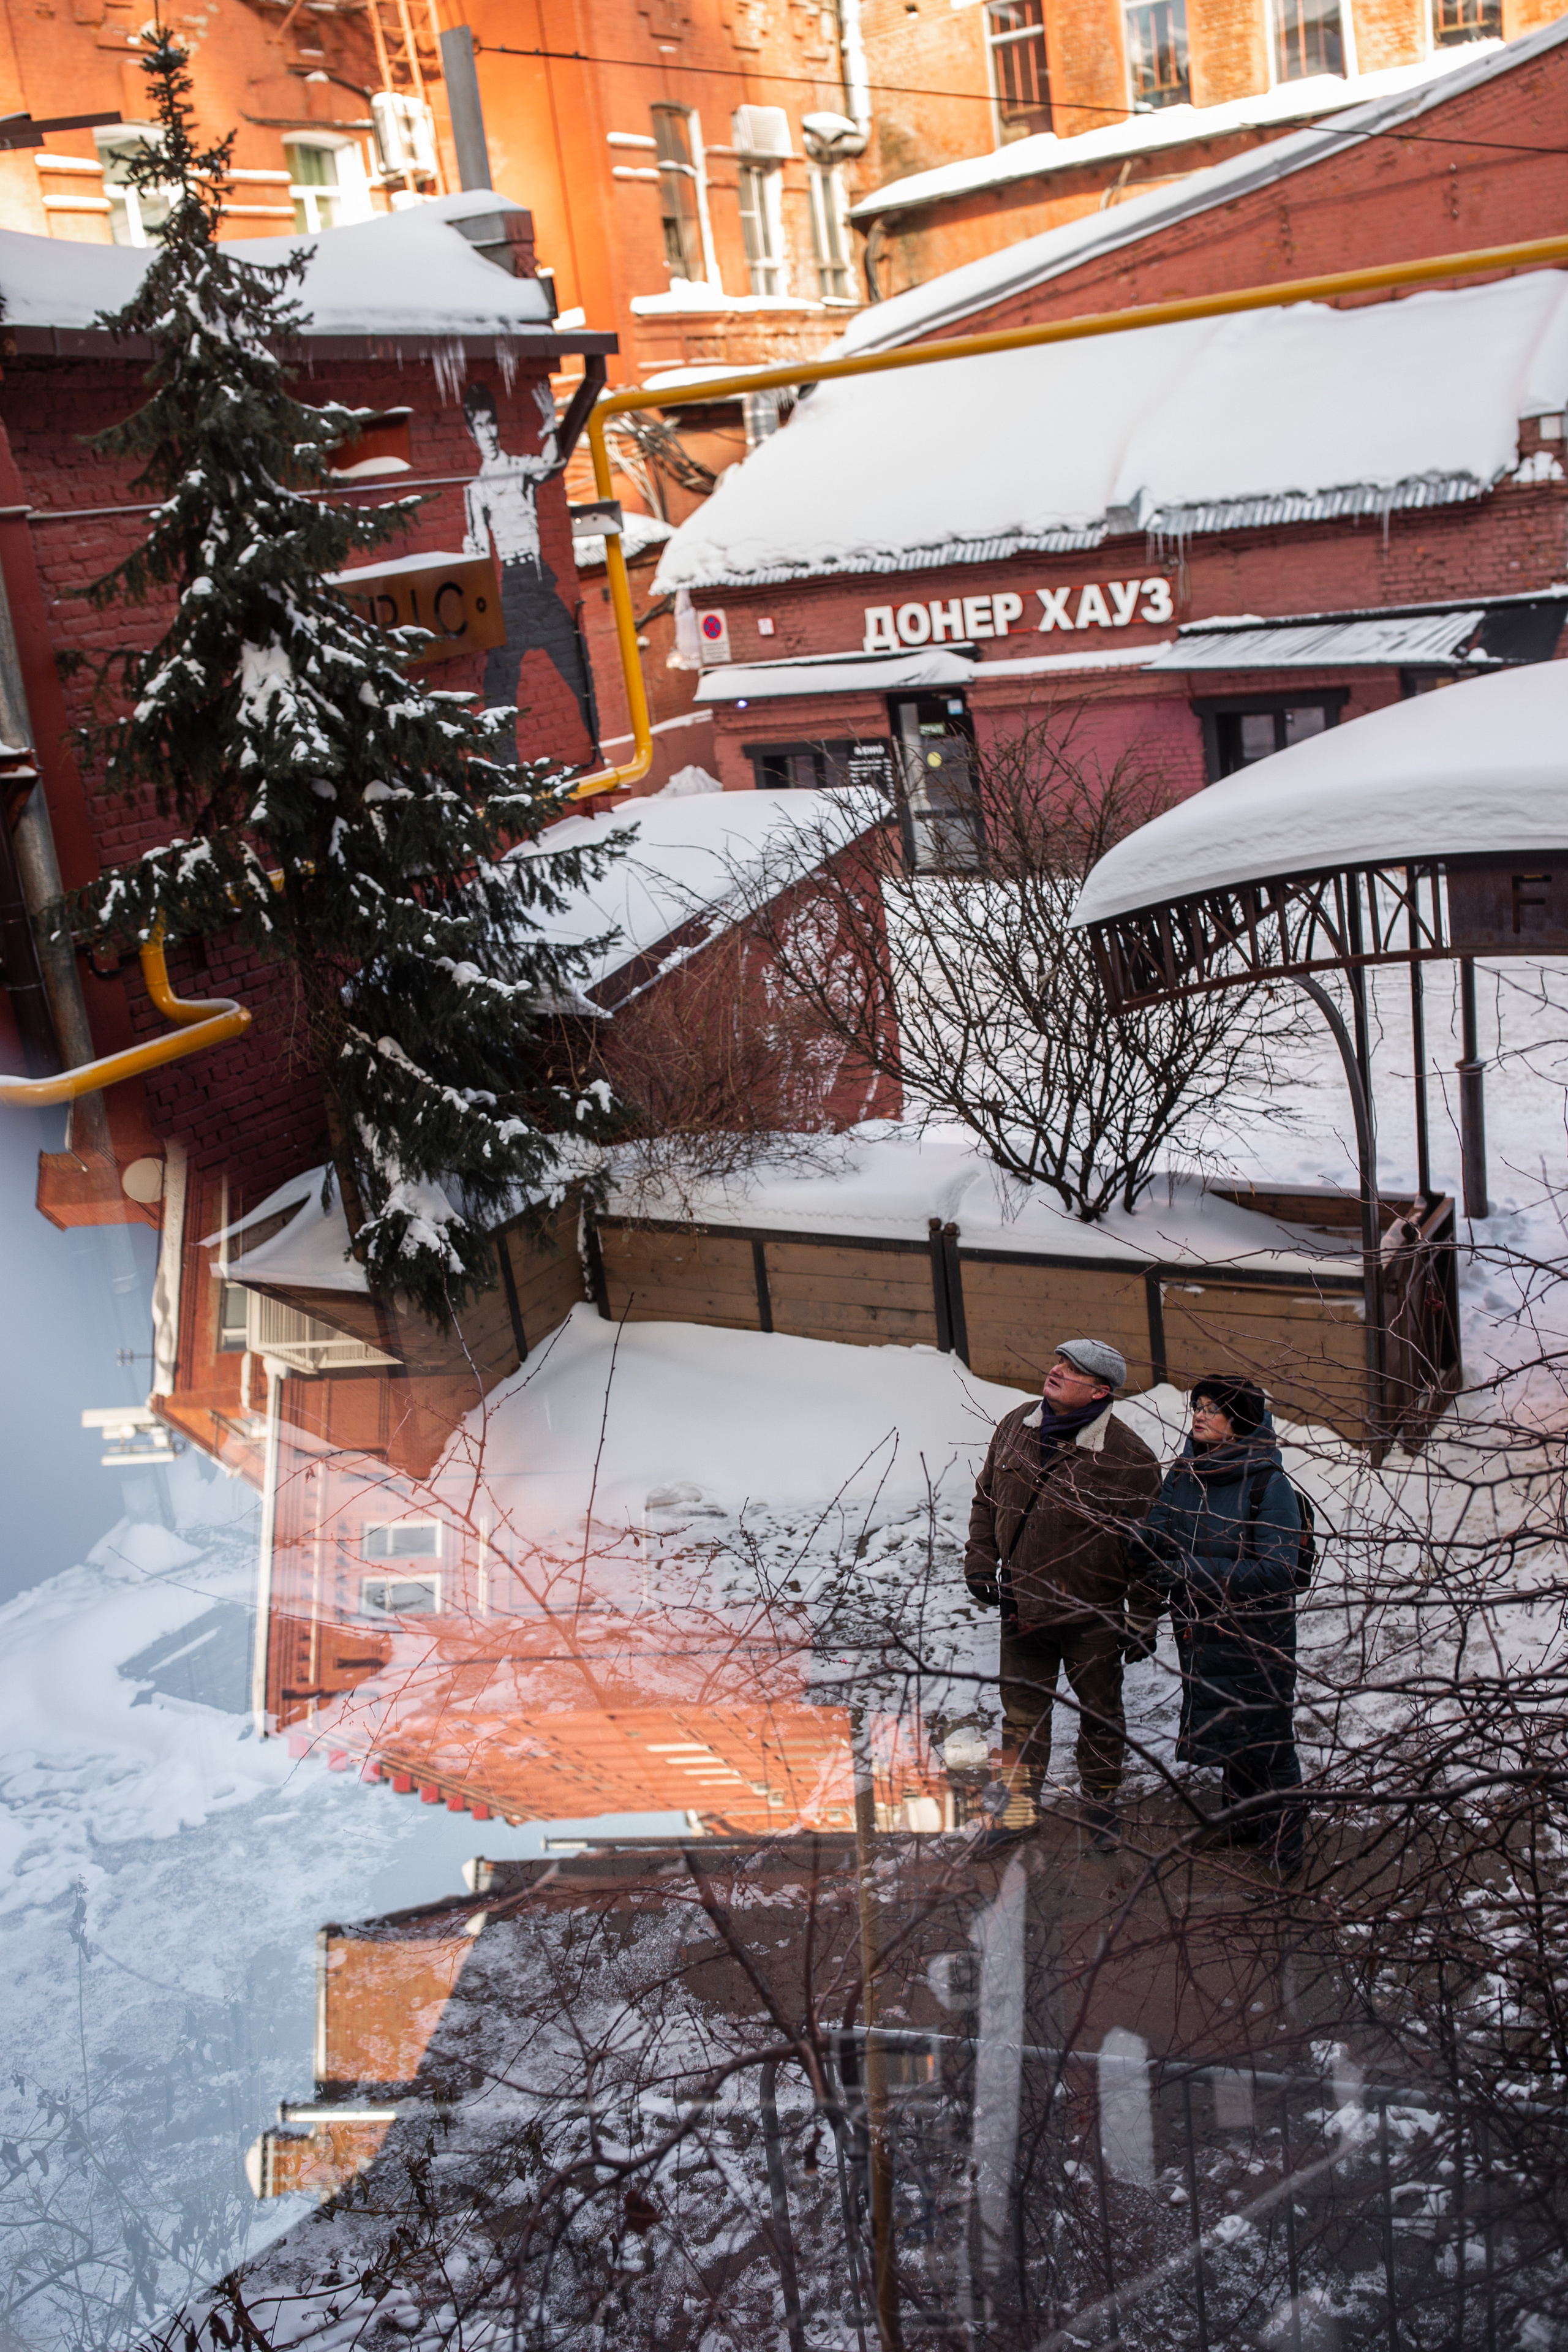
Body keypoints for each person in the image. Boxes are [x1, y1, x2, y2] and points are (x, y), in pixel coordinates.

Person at [965, 1337, 1162, 1849]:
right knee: (1022, 1717)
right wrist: (981, 1560)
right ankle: (1018, 1812)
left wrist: (1143, 1617)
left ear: (1099, 1393)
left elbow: (1149, 1549)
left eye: (1072, 1370)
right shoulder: (1015, 1425)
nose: (1054, 1370)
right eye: (1058, 1361)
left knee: (1100, 1715)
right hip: (1022, 1604)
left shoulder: (1129, 1458)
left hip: (1091, 1615)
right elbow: (987, 1497)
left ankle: (1099, 1805)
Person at [1136, 1375, 1308, 1877]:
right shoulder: (1186, 1473)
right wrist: (1142, 1546)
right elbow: (1160, 1528)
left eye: (1214, 1409)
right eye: (1198, 1406)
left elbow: (1278, 1570)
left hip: (1258, 1634)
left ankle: (1287, 1843)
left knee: (1269, 1738)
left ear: (1242, 1421)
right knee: (1231, 1728)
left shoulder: (1269, 1483)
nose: (1200, 1415)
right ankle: (1245, 1819)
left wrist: (1190, 1571)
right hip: (1201, 1628)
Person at [461, 379, 595, 745]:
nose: (486, 432)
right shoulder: (476, 490)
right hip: (511, 587)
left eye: (490, 423)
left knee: (577, 664)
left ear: (497, 425)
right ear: (471, 433)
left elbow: (552, 462)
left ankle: (594, 747)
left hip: (540, 580)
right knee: (500, 682)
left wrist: (551, 422)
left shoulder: (519, 468)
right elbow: (477, 548)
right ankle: (506, 772)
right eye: (478, 426)